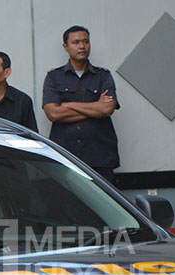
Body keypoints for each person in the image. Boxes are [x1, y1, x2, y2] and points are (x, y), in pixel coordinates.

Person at [42, 25, 120, 184]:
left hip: (100, 155)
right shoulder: (54, 77)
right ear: (66, 47)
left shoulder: (103, 76)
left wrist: (67, 105)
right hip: (65, 155)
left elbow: (106, 109)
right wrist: (94, 107)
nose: (82, 46)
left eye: (86, 42)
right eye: (76, 42)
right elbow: (53, 114)